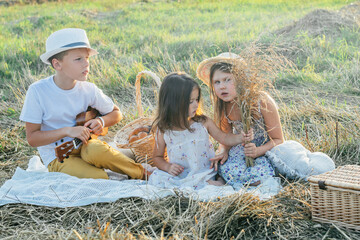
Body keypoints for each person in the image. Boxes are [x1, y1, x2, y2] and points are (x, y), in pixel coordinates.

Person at [20, 28, 147, 180]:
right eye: (78, 59)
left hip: (87, 146)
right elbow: (32, 139)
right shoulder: (38, 92)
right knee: (99, 179)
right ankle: (110, 171)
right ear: (57, 64)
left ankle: (143, 173)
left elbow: (116, 113)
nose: (86, 63)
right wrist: (67, 131)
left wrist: (101, 120)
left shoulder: (88, 89)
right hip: (58, 157)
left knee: (98, 151)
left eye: (87, 58)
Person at [148, 72, 253, 189]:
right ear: (172, 103)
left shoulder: (202, 122)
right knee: (158, 178)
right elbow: (157, 157)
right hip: (181, 175)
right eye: (190, 102)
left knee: (214, 179)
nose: (196, 105)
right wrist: (168, 167)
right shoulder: (164, 129)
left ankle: (218, 181)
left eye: (197, 100)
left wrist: (240, 137)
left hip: (205, 172)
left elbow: (224, 138)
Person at [197, 52, 284, 188]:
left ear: (241, 79)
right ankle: (226, 182)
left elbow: (278, 139)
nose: (222, 86)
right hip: (241, 150)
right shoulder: (224, 107)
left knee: (261, 174)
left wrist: (258, 151)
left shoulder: (262, 101)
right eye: (217, 82)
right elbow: (226, 139)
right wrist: (224, 151)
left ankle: (236, 183)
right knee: (222, 166)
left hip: (264, 150)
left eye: (227, 80)